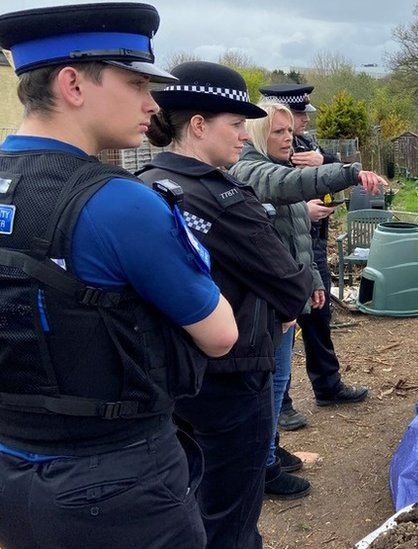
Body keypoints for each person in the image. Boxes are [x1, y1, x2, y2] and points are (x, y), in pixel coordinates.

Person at [0, 4, 238, 548]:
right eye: (135, 84)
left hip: (12, 468)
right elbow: (220, 334)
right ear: (72, 85)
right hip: (116, 482)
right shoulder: (120, 205)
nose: (152, 104)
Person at [137, 62, 314, 545]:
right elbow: (291, 287)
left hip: (171, 375)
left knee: (189, 495)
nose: (243, 136)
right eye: (235, 124)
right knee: (233, 512)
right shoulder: (224, 199)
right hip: (232, 377)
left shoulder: (147, 183)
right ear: (198, 125)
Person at [230, 101, 385, 499]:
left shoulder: (276, 166)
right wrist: (349, 173)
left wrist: (313, 279)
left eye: (289, 131)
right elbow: (287, 190)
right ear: (260, 134)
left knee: (280, 379)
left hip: (287, 295)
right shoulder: (250, 169)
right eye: (279, 132)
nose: (289, 138)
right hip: (266, 301)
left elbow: (300, 237)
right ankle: (262, 466)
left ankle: (271, 447)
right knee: (269, 384)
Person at [259, 84, 368, 433]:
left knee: (319, 316)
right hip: (285, 250)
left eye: (297, 121)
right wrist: (301, 209)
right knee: (284, 329)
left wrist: (327, 162)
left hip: (312, 245)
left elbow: (326, 172)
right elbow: (284, 187)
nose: (301, 123)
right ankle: (283, 404)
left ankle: (328, 385)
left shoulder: (306, 146)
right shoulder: (265, 157)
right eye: (288, 123)